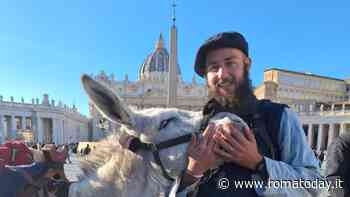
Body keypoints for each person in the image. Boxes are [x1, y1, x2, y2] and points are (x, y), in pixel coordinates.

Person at [175, 32, 322, 197]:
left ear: (247, 64)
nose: (222, 74)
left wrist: (258, 163)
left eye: (230, 63)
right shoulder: (196, 126)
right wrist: (192, 173)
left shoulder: (279, 117)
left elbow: (314, 186)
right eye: (213, 67)